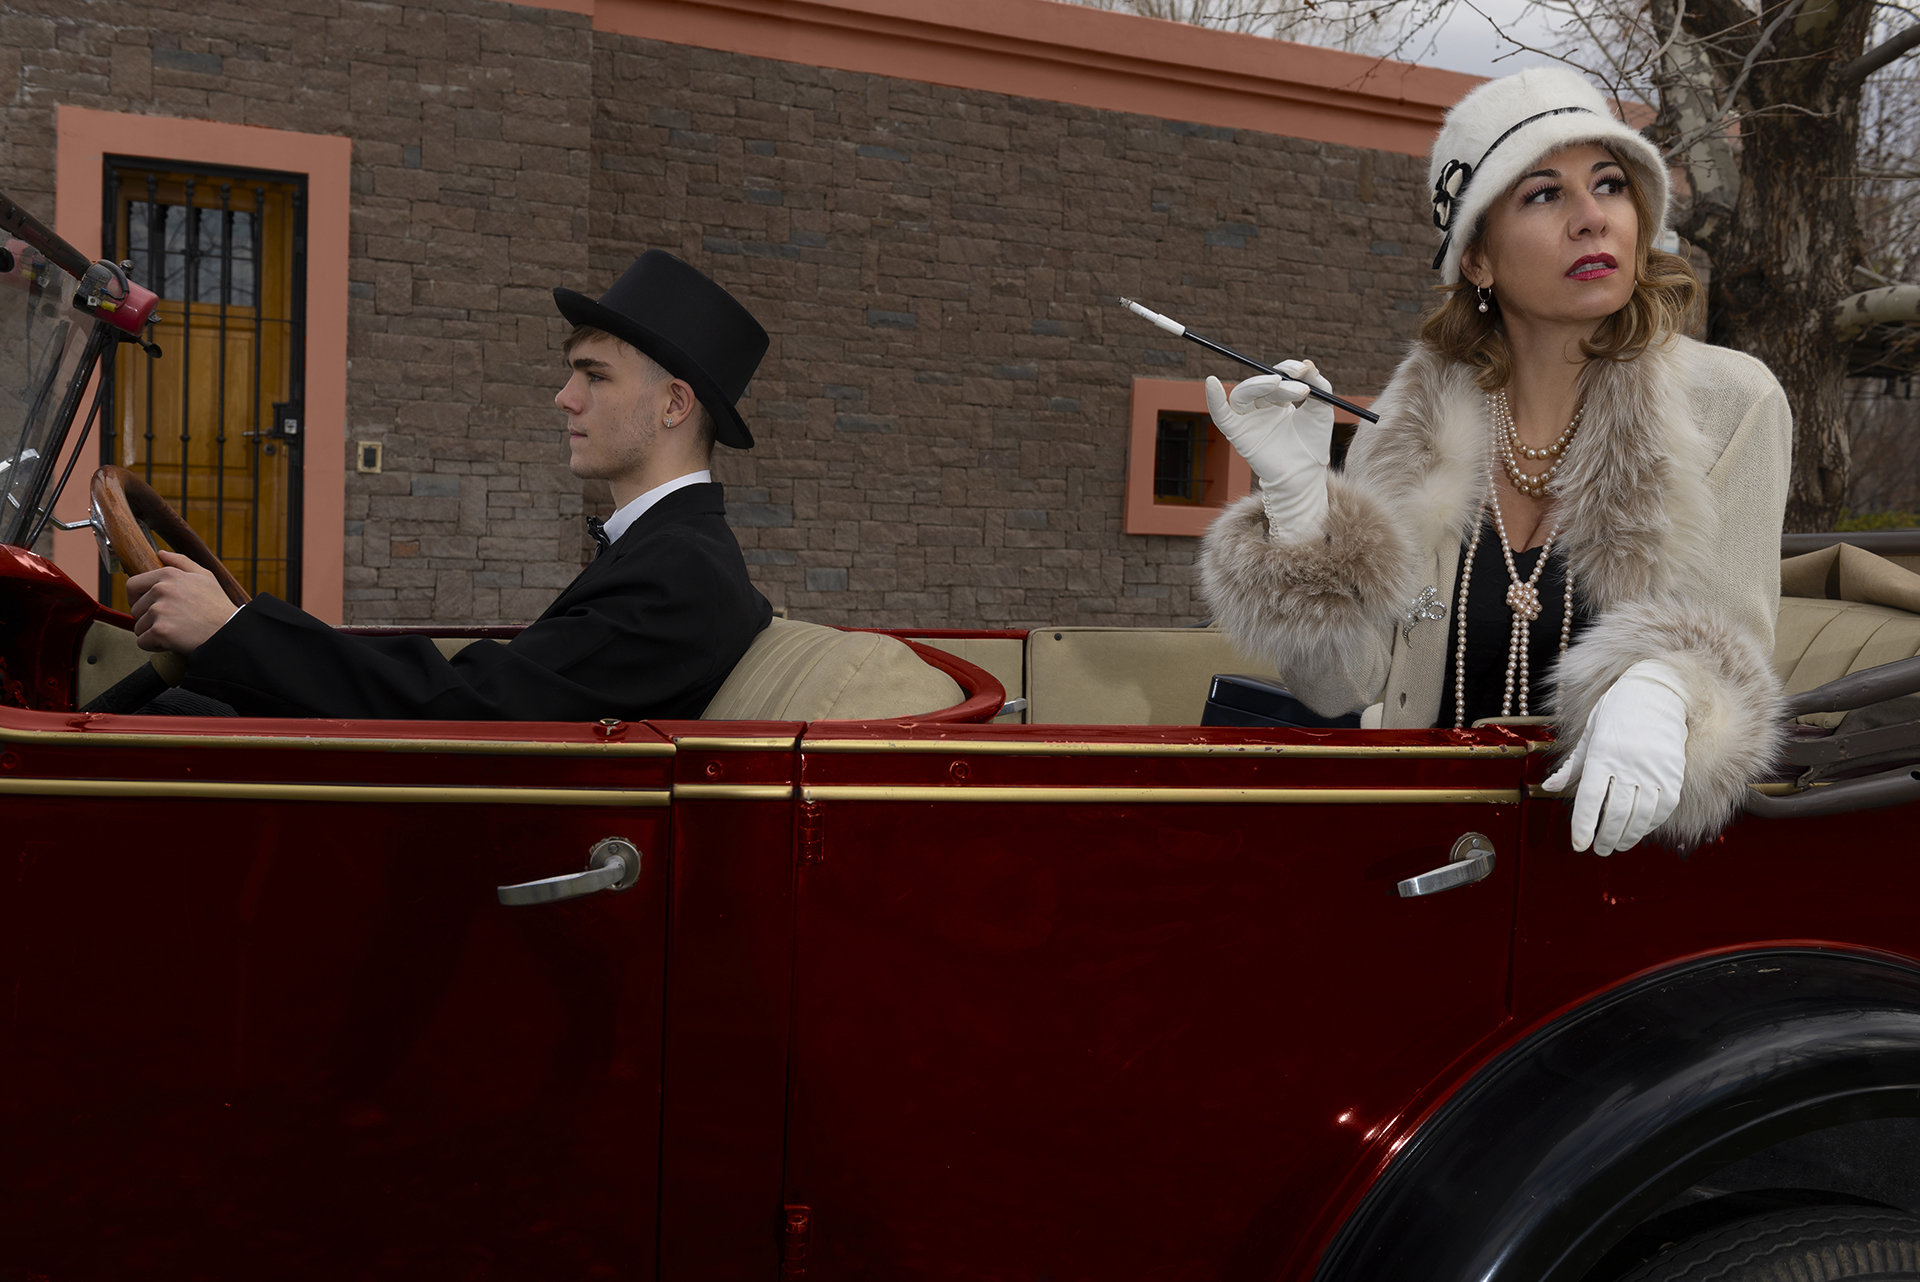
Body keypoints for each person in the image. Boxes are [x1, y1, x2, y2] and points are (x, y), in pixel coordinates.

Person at [1198, 67, 1791, 856]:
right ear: (1477, 259)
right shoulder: (1402, 433)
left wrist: (1664, 686)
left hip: (1620, 860)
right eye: (1544, 194)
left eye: (1609, 184)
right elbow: (1338, 689)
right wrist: (1301, 508)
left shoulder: (1731, 403)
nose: (1592, 218)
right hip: (1427, 850)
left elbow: (1734, 648)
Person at [126, 249, 773, 721]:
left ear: (674, 405)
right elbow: (498, 687)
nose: (565, 397)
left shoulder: (678, 572)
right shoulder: (668, 551)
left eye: (595, 376)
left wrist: (234, 630)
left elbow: (473, 704)